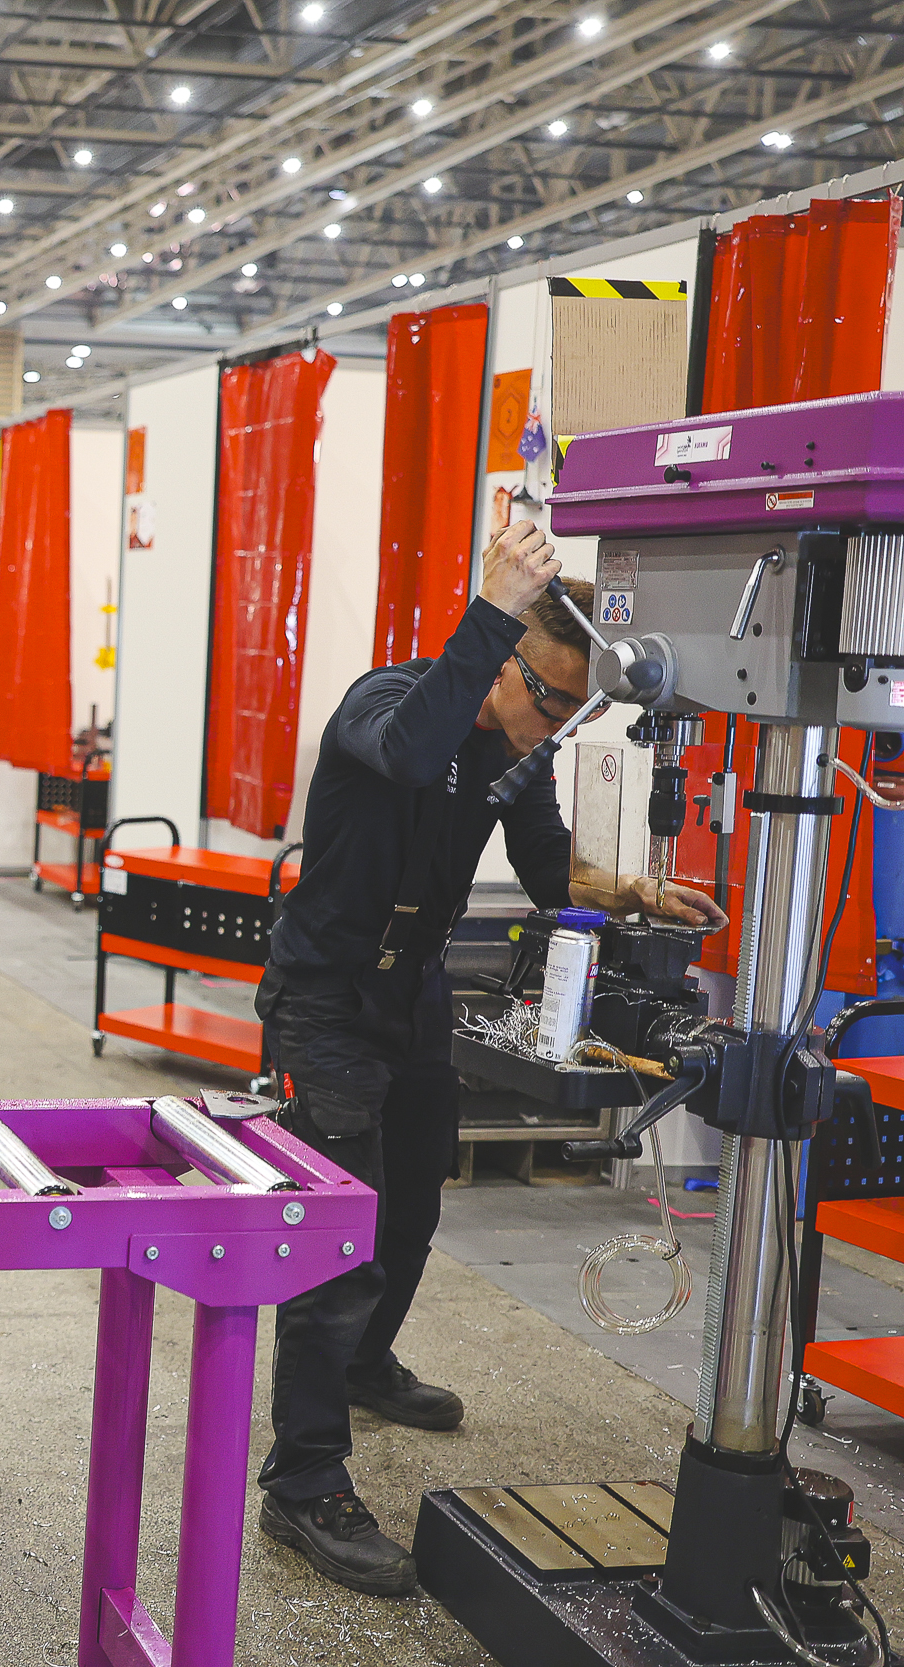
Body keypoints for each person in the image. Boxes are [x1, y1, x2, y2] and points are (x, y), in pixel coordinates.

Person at [251, 521, 727, 1600]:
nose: (553, 725)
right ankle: (304, 1478)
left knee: (411, 1207)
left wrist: (634, 889)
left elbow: (545, 861)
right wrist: (489, 605)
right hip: (323, 999)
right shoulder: (386, 704)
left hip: (411, 993)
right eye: (548, 700)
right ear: (498, 650)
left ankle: (366, 1364)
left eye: (573, 709)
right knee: (338, 1240)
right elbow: (413, 755)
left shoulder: (514, 748)